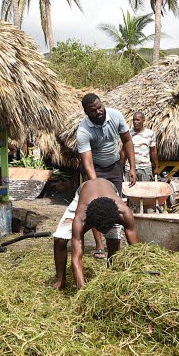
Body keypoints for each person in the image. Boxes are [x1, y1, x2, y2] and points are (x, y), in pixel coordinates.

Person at [76, 93, 137, 258]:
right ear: (87, 112)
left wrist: (132, 167)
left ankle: (114, 249)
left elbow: (127, 141)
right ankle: (99, 244)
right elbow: (87, 162)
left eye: (99, 107)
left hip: (114, 167)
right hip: (94, 168)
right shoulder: (83, 130)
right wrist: (96, 186)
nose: (98, 112)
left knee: (115, 205)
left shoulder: (116, 116)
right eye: (93, 111)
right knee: (96, 205)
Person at [52, 178, 139, 290]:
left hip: (109, 188)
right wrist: (83, 290)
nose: (104, 233)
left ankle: (111, 278)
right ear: (91, 223)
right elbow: (76, 258)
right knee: (60, 239)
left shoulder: (124, 213)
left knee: (114, 241)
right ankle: (60, 281)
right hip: (84, 191)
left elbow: (137, 249)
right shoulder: (80, 219)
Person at [130, 112, 159, 182]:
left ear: (143, 120)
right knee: (130, 192)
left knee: (146, 191)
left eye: (137, 120)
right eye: (134, 120)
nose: (135, 122)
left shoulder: (150, 134)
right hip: (130, 169)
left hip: (145, 168)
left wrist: (156, 166)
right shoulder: (128, 134)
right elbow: (124, 151)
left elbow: (153, 151)